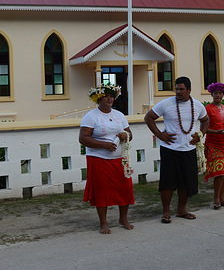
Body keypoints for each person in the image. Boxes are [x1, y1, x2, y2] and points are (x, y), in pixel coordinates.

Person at [144, 76, 209, 223]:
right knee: (167, 182)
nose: (178, 92)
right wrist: (160, 134)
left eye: (181, 89)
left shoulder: (198, 105)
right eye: (176, 89)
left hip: (188, 149)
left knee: (186, 182)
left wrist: (201, 135)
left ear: (189, 90)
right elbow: (149, 117)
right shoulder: (166, 104)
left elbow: (205, 120)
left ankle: (181, 210)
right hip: (170, 149)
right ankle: (166, 212)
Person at [79, 84, 134, 234]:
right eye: (106, 96)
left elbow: (130, 135)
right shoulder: (91, 116)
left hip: (119, 159)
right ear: (98, 98)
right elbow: (83, 138)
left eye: (111, 96)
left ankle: (123, 219)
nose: (109, 98)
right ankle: (103, 223)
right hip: (99, 158)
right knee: (102, 191)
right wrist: (103, 145)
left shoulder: (119, 115)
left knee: (125, 188)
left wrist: (125, 135)